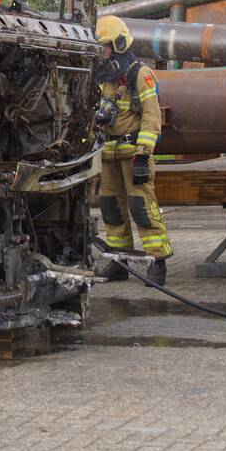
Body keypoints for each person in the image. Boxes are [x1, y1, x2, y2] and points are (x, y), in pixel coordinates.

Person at [93, 15, 172, 286]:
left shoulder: (141, 75)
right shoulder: (104, 81)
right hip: (108, 156)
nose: (101, 53)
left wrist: (143, 154)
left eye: (104, 47)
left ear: (118, 45)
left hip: (133, 155)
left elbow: (152, 118)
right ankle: (118, 262)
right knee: (111, 211)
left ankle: (157, 262)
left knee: (142, 208)